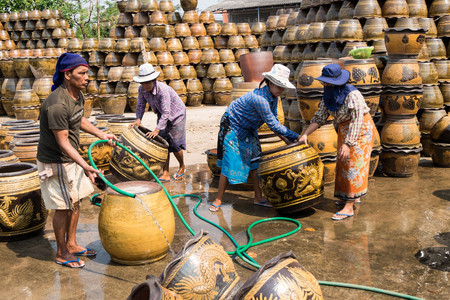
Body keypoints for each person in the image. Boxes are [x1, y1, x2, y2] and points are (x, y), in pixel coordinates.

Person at [37, 53, 118, 268]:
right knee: (63, 207)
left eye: (86, 73)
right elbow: (62, 142)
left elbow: (79, 119)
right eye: (81, 73)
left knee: (75, 200)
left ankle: (71, 244)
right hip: (56, 162)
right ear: (67, 75)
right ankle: (62, 252)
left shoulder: (76, 95)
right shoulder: (56, 104)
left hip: (70, 158)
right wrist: (85, 165)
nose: (87, 77)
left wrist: (101, 134)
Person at [209, 64, 301, 212]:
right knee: (229, 163)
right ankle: (218, 199)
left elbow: (275, 122)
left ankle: (258, 197)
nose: (282, 90)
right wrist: (297, 136)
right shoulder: (260, 99)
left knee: (254, 161)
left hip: (249, 127)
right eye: (279, 86)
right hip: (232, 126)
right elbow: (273, 125)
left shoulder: (273, 97)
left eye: (283, 86)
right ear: (270, 82)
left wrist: (287, 141)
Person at [299, 63, 375, 220]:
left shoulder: (353, 95)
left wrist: (348, 144)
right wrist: (305, 134)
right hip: (345, 129)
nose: (326, 85)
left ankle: (349, 206)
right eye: (324, 83)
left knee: (353, 165)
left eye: (329, 83)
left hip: (360, 130)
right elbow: (320, 116)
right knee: (343, 163)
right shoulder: (329, 95)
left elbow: (357, 120)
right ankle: (351, 196)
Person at [130, 63, 186, 182]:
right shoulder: (142, 90)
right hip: (162, 114)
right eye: (143, 82)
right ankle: (165, 173)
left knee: (175, 143)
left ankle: (182, 166)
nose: (146, 85)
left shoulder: (163, 90)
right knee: (163, 142)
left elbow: (167, 113)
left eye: (148, 82)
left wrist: (156, 130)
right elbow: (140, 105)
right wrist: (138, 119)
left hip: (176, 114)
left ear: (154, 80)